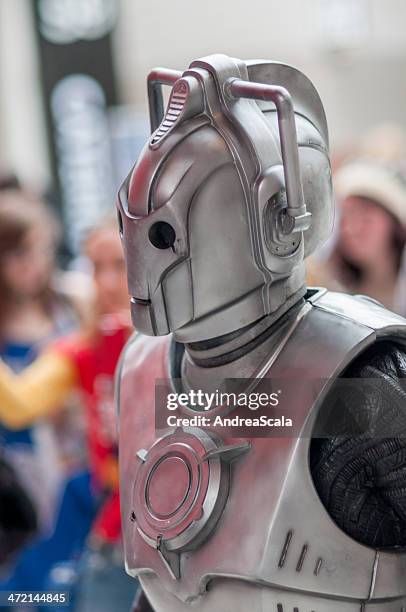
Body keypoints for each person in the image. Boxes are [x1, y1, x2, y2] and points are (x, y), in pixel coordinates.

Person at [116, 54, 406, 611]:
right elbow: (161, 583)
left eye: (164, 234)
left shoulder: (368, 382)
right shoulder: (142, 369)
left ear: (277, 218)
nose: (143, 263)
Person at [0, 215, 137, 611]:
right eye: (96, 267)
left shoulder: (182, 343)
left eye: (121, 265)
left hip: (194, 535)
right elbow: (20, 405)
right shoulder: (83, 348)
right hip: (115, 536)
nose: (107, 283)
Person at [0, 180, 83, 530]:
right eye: (19, 253)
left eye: (40, 249)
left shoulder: (73, 302)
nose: (32, 264)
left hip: (81, 457)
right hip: (19, 474)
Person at [325, 159, 406, 310]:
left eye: (366, 215)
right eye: (346, 216)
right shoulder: (330, 295)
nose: (352, 228)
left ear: (395, 223)